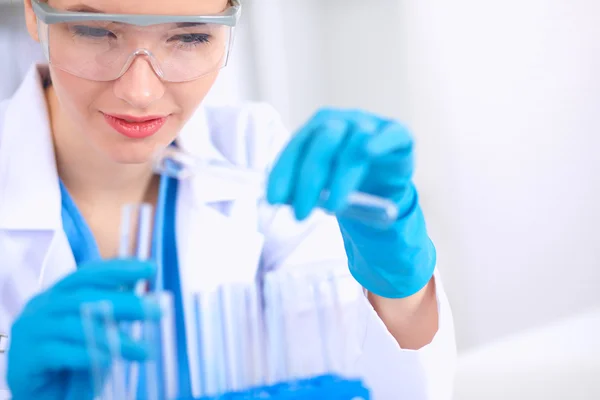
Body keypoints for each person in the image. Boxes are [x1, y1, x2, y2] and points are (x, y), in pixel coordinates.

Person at [0, 0, 456, 399]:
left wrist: (399, 281)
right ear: (33, 13)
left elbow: (384, 387)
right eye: (96, 31)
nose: (139, 91)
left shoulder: (254, 154)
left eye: (191, 36)